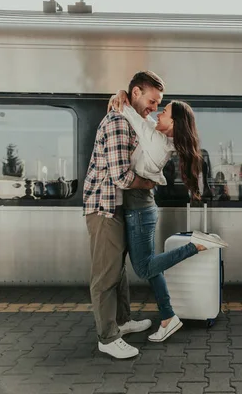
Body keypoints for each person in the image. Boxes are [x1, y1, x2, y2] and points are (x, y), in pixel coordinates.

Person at [107, 77, 228, 343]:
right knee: (152, 268)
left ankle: (194, 245)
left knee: (144, 268)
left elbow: (130, 113)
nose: (157, 113)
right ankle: (168, 316)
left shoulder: (157, 140)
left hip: (138, 209)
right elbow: (143, 118)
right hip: (141, 207)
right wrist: (122, 93)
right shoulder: (160, 136)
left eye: (164, 111)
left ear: (172, 124)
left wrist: (122, 96)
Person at [82, 72, 166, 359]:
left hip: (116, 207)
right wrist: (150, 183)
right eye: (152, 101)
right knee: (105, 275)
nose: (154, 107)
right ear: (136, 92)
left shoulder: (129, 117)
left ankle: (122, 321)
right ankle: (107, 337)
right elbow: (120, 176)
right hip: (104, 207)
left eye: (158, 103)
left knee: (117, 270)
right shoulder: (118, 122)